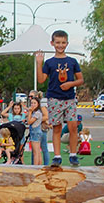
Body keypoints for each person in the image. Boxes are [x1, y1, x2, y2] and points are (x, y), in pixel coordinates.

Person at [35, 30, 84, 167]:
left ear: (67, 43)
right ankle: (57, 156)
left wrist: (71, 84)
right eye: (57, 43)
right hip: (54, 98)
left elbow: (80, 79)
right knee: (56, 127)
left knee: (73, 126)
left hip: (69, 98)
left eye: (63, 43)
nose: (60, 45)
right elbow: (41, 80)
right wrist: (39, 63)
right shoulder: (50, 63)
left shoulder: (72, 61)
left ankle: (73, 154)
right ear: (52, 43)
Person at [25, 93, 48, 165]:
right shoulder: (36, 112)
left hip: (35, 132)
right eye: (31, 103)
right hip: (36, 132)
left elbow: (29, 122)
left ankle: (35, 166)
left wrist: (30, 112)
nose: (32, 105)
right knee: (38, 151)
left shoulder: (37, 113)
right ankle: (39, 165)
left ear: (38, 104)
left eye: (35, 103)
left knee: (35, 152)